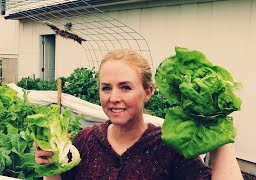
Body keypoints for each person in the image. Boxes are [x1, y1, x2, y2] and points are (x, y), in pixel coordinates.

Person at [34, 49, 243, 179]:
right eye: (106, 88)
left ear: (148, 92)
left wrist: (216, 126)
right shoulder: (85, 140)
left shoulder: (170, 147)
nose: (113, 97)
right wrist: (51, 163)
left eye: (125, 87)